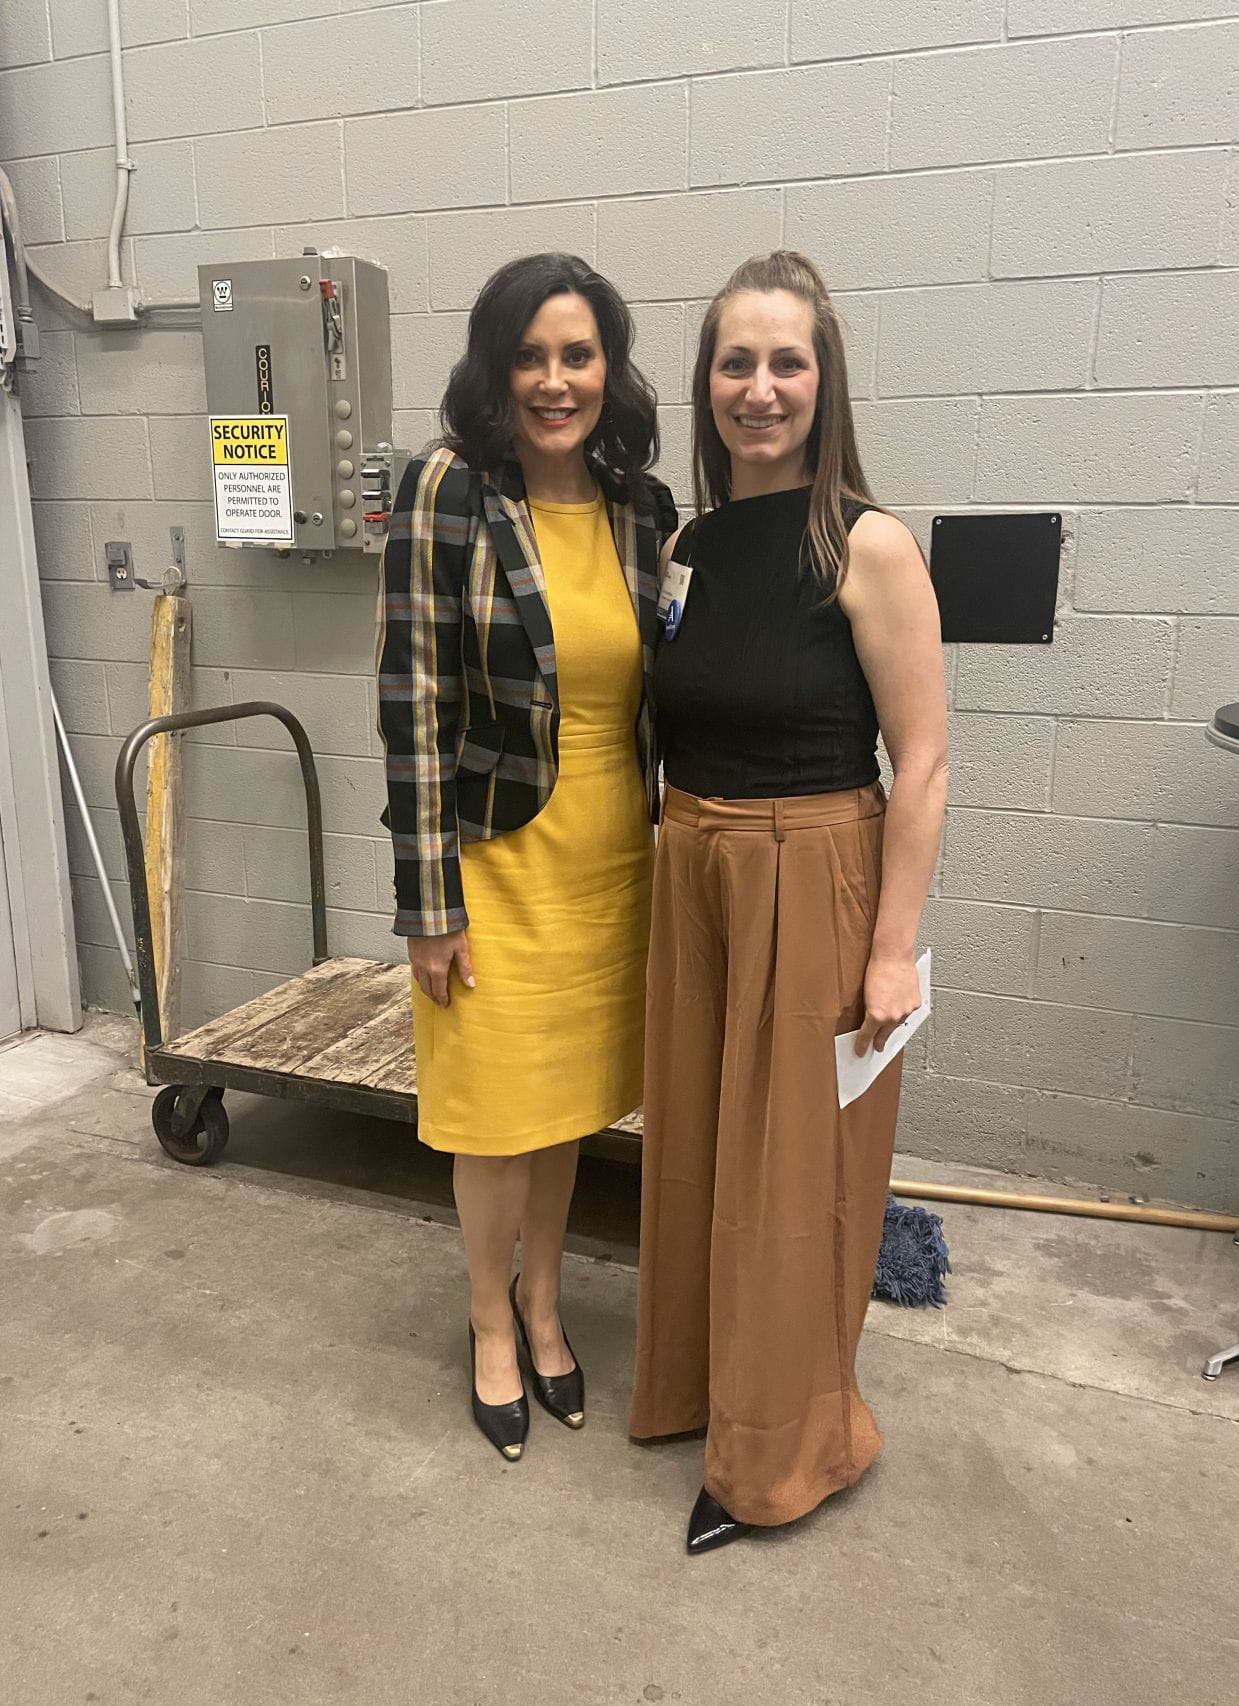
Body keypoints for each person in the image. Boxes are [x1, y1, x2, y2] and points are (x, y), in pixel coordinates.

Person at [630, 251, 948, 1551]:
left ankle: (787, 1450)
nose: (760, 388)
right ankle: (704, 1392)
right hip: (693, 861)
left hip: (811, 871)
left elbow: (921, 762)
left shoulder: (868, 544)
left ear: (827, 382)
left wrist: (891, 956)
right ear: (707, 383)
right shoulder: (689, 545)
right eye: (736, 362)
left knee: (792, 1180)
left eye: (788, 362)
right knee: (700, 1152)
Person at [377, 253, 676, 1462]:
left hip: (613, 861)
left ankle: (548, 1305)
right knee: (491, 1115)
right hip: (493, 863)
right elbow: (411, 702)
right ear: (495, 368)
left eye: (579, 353)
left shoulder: (638, 506)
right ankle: (487, 1321)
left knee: (558, 1113)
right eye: (532, 355)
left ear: (609, 365)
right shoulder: (445, 491)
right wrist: (427, 904)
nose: (556, 380)